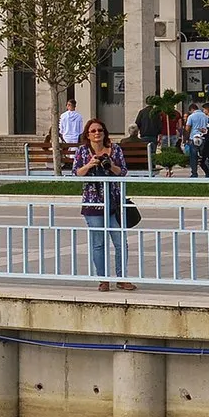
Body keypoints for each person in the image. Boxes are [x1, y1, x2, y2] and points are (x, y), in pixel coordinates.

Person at [74, 117, 135, 292]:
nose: (97, 134)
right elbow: (76, 173)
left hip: (113, 202)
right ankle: (103, 279)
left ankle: (121, 278)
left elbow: (122, 171)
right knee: (98, 243)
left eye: (100, 130)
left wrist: (111, 166)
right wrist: (90, 164)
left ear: (104, 132)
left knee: (120, 241)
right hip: (93, 203)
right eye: (93, 131)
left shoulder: (115, 149)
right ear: (87, 134)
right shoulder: (83, 151)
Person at [184, 101, 209, 178]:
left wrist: (186, 138)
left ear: (191, 109)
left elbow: (187, 128)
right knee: (204, 157)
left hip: (194, 138)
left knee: (193, 157)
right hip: (203, 138)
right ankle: (207, 172)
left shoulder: (191, 116)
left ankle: (194, 173)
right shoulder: (205, 116)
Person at [57, 97, 85, 172]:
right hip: (75, 137)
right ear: (75, 106)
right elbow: (80, 130)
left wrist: (63, 134)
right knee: (73, 152)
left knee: (65, 151)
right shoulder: (79, 116)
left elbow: (61, 128)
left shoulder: (63, 116)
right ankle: (72, 166)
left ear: (68, 106)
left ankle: (66, 165)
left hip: (66, 137)